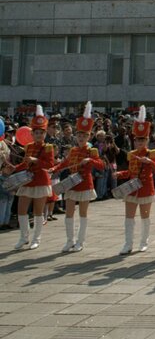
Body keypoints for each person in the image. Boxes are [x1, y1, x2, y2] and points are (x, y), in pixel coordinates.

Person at [50, 102, 104, 252]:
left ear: (89, 136)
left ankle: (80, 241)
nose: (81, 138)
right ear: (76, 136)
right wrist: (53, 169)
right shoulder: (73, 150)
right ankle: (69, 241)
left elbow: (101, 165)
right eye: (79, 135)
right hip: (72, 183)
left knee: (83, 213)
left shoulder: (92, 150)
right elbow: (65, 163)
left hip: (85, 184)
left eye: (84, 135)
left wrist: (90, 160)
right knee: (69, 213)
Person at [115, 106, 155, 255]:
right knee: (129, 217)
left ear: (147, 140)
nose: (139, 142)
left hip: (146, 187)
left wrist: (150, 162)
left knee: (145, 216)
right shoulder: (131, 154)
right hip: (132, 188)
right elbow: (130, 172)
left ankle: (144, 242)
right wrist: (119, 174)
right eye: (137, 140)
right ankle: (128, 244)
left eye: (142, 139)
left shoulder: (152, 153)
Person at [11, 105, 55, 250]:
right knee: (21, 210)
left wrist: (36, 160)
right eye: (36, 133)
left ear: (45, 134)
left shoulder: (48, 147)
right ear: (32, 134)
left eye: (41, 133)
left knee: (37, 211)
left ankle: (36, 239)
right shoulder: (29, 146)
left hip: (41, 181)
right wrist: (14, 168)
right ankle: (23, 238)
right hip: (27, 181)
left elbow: (50, 164)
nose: (39, 135)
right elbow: (25, 163)